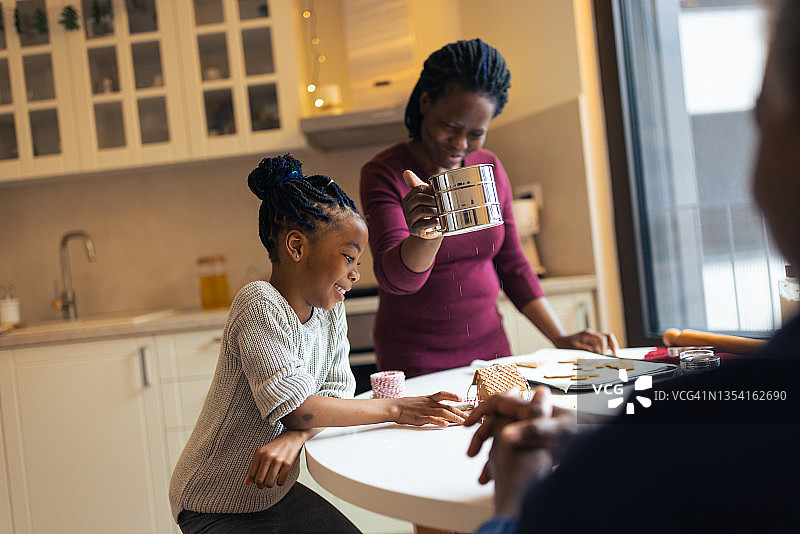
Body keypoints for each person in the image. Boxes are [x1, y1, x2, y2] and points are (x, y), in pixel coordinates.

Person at [464, 2, 800, 531]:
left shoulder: (649, 458)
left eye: (760, 121)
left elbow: (513, 261)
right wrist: (584, 432)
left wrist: (517, 498)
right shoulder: (753, 403)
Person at [169, 154, 466, 534]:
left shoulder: (328, 309)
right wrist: (396, 408)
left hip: (270, 495)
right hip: (212, 502)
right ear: (297, 246)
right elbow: (300, 409)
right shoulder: (259, 304)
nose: (356, 274)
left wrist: (296, 437)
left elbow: (336, 390)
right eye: (348, 257)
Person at [360, 39, 618, 378]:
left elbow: (513, 265)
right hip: (416, 359)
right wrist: (427, 232)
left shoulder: (489, 169)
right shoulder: (385, 173)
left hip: (492, 352)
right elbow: (397, 280)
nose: (460, 144)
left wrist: (561, 337)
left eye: (476, 133)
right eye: (450, 127)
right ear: (425, 102)